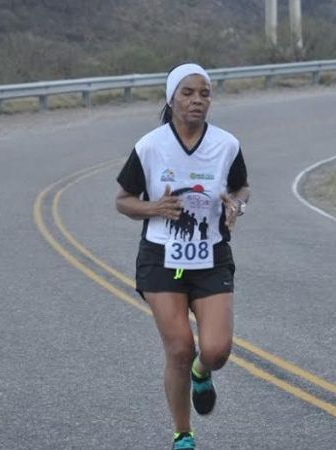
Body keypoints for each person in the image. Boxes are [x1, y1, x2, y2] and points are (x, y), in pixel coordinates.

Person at [115, 63, 250, 450]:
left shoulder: (226, 145)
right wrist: (154, 208)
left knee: (216, 351)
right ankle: (182, 434)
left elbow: (241, 188)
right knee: (178, 348)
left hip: (211, 256)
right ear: (171, 98)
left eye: (204, 94)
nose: (196, 100)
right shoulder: (150, 146)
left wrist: (236, 205)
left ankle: (202, 372)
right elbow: (123, 201)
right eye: (187, 93)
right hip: (161, 258)